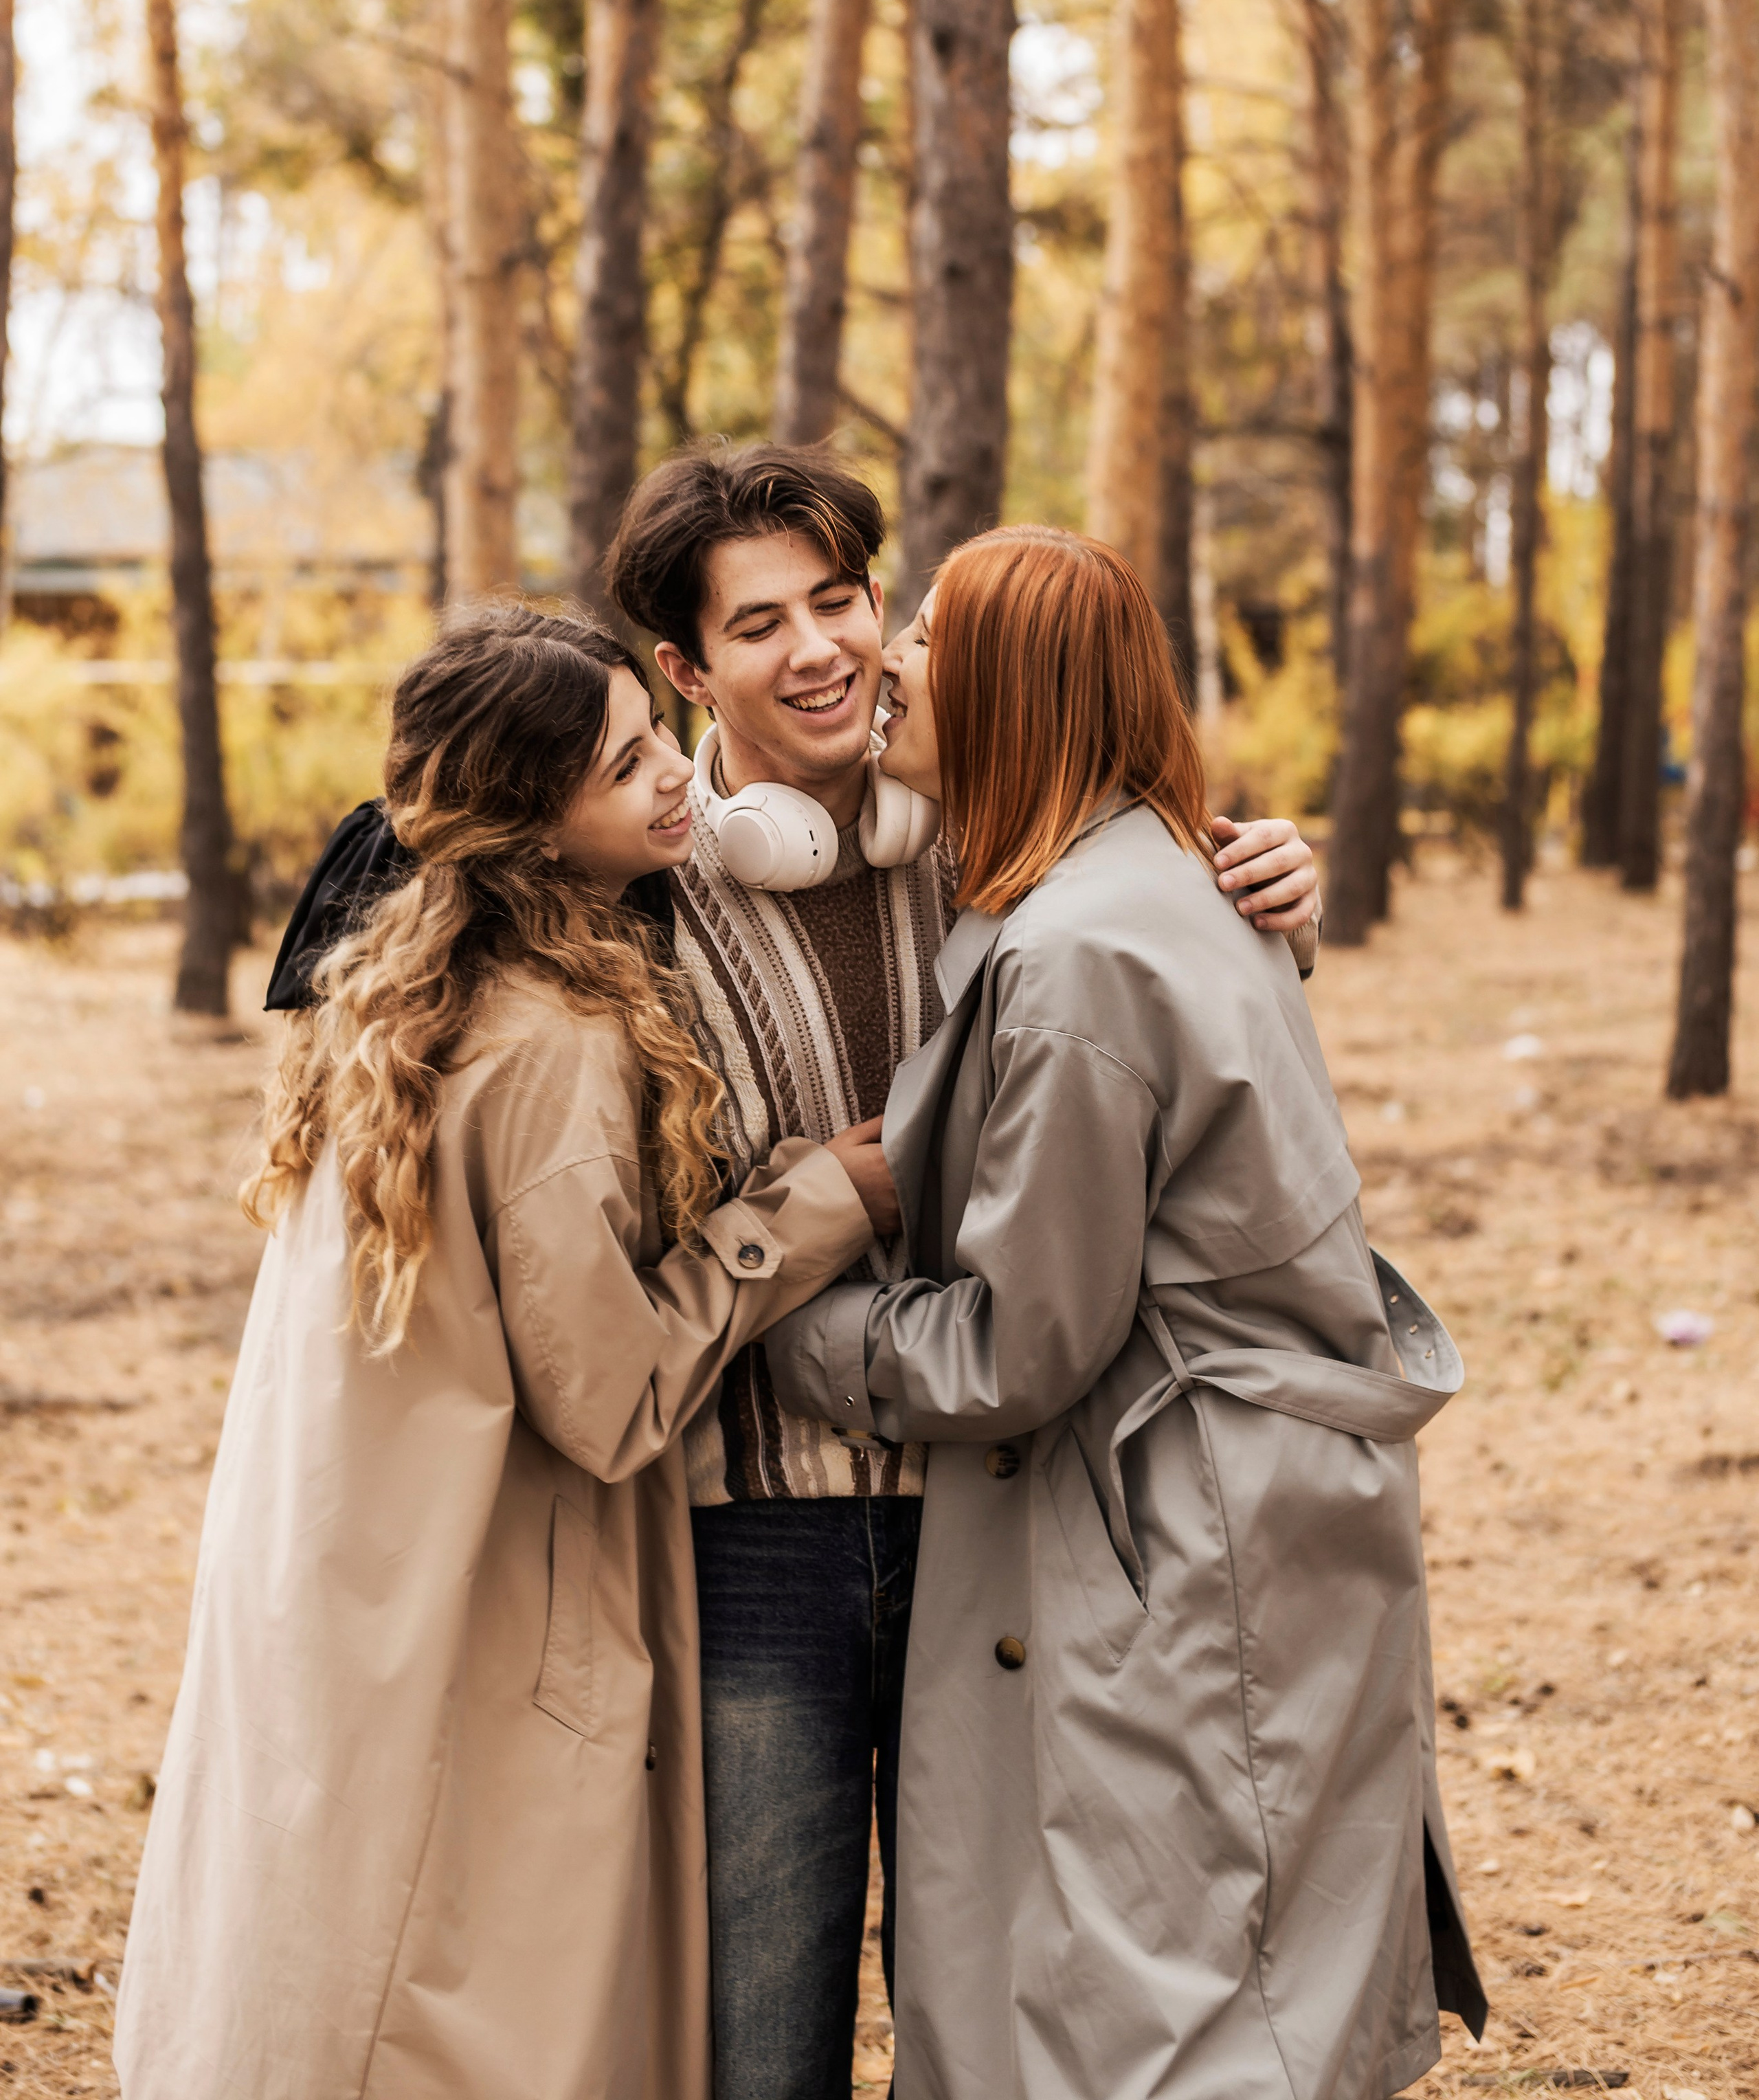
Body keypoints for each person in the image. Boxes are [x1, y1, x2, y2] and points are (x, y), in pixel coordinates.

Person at [258, 444, 1325, 2100]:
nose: (820, 649)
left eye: (842, 600)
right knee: (762, 2028)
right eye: (758, 626)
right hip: (748, 1540)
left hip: (1009, 1507)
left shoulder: (1004, 831)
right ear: (682, 672)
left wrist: (1266, 899)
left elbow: (1152, 1049)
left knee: (1012, 2000)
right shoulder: (617, 883)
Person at [113, 605, 894, 2100]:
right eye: (625, 767)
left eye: (656, 738)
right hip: (485, 1605)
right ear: (533, 825)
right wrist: (817, 1205)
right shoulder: (548, 1041)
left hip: (363, 1585)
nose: (673, 777)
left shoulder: (395, 988)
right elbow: (607, 1401)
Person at [764, 524, 1485, 2100]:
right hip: (1232, 1509)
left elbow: (1022, 1344)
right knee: (1223, 1954)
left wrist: (780, 1328)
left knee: (1159, 2001)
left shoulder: (1080, 952)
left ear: (1015, 684)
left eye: (930, 635)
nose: (888, 659)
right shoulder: (1153, 878)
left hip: (1167, 1528)